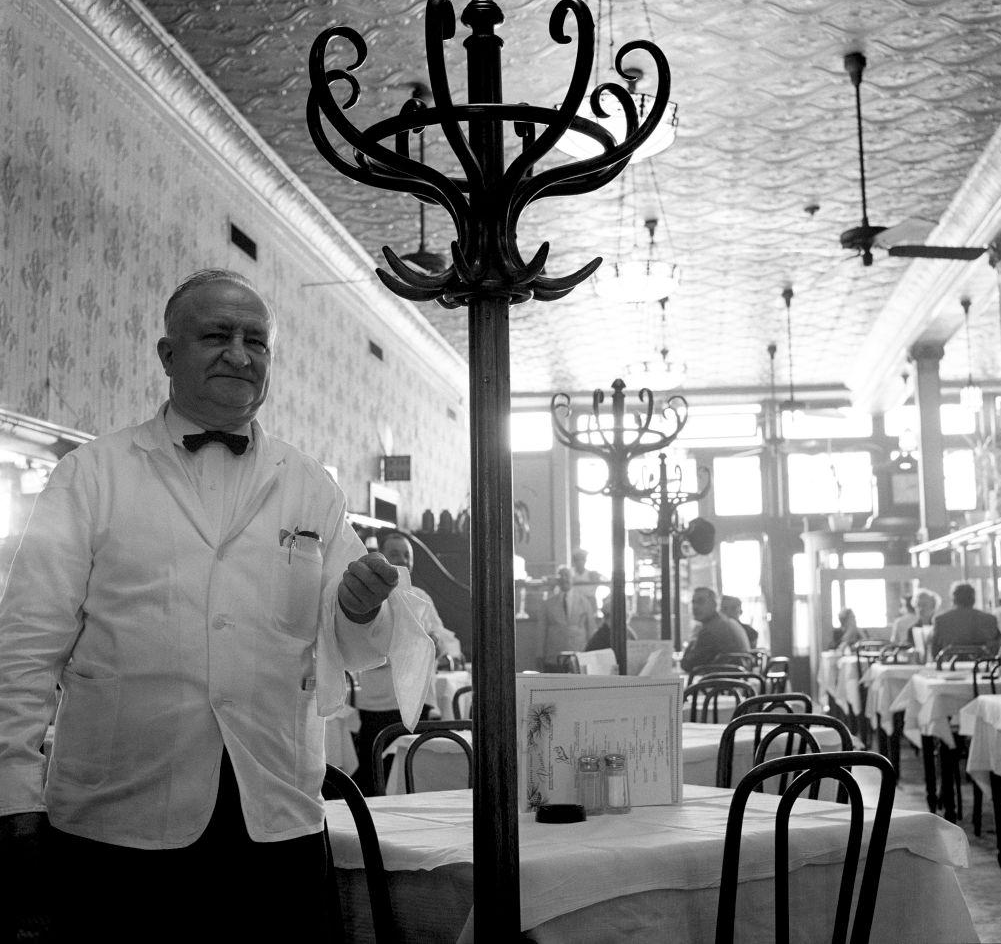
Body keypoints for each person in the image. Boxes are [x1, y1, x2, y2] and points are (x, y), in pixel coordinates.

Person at [0, 270, 434, 942]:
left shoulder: (310, 486)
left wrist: (357, 608)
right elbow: (25, 647)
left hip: (275, 812)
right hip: (118, 817)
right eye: (216, 335)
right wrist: (14, 800)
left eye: (256, 339)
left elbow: (359, 648)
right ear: (168, 355)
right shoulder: (92, 475)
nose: (240, 352)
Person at [353, 529, 462, 795]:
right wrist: (411, 649)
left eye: (407, 555)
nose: (402, 559)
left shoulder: (421, 596)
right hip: (380, 702)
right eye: (394, 554)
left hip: (418, 699)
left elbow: (444, 638)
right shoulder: (369, 597)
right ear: (381, 557)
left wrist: (435, 642)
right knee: (378, 774)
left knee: (411, 770)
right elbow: (364, 648)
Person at [679, 587, 751, 673]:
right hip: (739, 680)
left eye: (700, 601)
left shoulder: (711, 630)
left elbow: (687, 665)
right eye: (693, 602)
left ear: (714, 604)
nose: (695, 607)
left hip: (724, 683)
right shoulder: (725, 622)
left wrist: (693, 638)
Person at [536, 565, 594, 670]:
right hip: (554, 656)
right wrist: (539, 655)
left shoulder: (584, 602)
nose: (564, 579)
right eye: (561, 576)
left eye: (567, 575)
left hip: (579, 656)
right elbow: (541, 631)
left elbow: (591, 629)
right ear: (557, 580)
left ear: (572, 578)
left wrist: (592, 655)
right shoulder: (548, 604)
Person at [931, 582, 1001, 657]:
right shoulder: (990, 619)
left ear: (953, 599)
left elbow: (935, 651)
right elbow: (998, 647)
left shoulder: (940, 620)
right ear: (974, 599)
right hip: (982, 664)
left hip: (949, 666)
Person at [570, 547, 605, 624]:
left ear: (585, 561)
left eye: (582, 559)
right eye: (577, 560)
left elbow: (607, 582)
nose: (580, 562)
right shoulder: (571, 575)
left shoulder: (592, 575)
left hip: (590, 604)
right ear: (574, 562)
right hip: (575, 604)